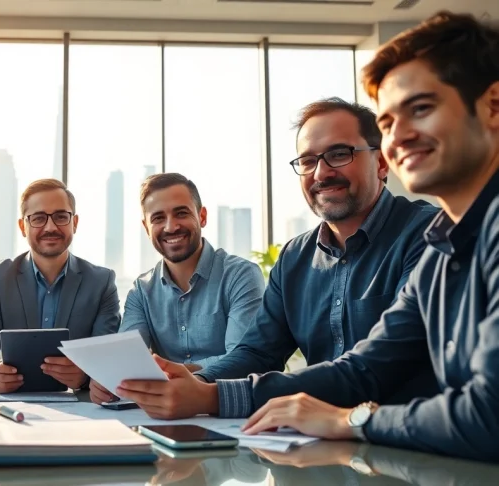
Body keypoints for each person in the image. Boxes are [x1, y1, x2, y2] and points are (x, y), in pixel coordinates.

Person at [115, 11, 499, 462]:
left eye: (421, 109)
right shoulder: (441, 245)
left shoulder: (426, 237)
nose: (400, 136)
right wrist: (200, 387)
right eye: (390, 122)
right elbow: (357, 368)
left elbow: (484, 414)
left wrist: (351, 420)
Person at [192, 98, 437, 390]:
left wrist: (217, 396)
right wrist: (196, 383)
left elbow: (383, 361)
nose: (321, 173)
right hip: (313, 419)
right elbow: (258, 353)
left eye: (339, 154)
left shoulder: (427, 234)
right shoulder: (294, 257)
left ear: (382, 163)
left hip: (398, 418)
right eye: (308, 161)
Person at [91, 173, 265, 404]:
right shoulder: (141, 291)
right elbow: (128, 361)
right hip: (162, 412)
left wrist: (178, 374)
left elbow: (242, 358)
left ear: (202, 216)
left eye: (181, 213)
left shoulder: (241, 276)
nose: (171, 227)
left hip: (227, 409)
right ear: (146, 227)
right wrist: (108, 380)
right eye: (158, 218)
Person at [0, 179, 121, 392]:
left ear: (74, 223)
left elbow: (107, 355)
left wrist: (86, 376)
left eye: (61, 217)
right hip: (12, 400)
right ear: (23, 226)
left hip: (80, 405)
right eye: (38, 218)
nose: (50, 227)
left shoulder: (102, 282)